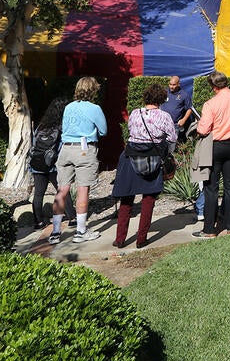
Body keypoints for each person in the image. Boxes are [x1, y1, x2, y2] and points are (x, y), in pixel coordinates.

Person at [112, 83, 177, 248]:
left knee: (126, 199)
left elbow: (130, 130)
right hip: (153, 158)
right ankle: (141, 239)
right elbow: (172, 138)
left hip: (131, 157)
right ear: (161, 99)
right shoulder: (164, 116)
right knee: (148, 199)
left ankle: (120, 239)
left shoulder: (135, 113)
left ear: (145, 97)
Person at [193, 71, 230, 238]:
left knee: (211, 188)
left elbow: (203, 129)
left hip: (215, 146)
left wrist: (198, 128)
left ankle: (209, 229)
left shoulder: (210, 104)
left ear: (213, 86)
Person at [50, 76, 107, 245]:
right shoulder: (94, 108)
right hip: (84, 149)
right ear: (93, 90)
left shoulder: (68, 107)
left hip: (66, 148)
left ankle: (55, 232)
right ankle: (81, 231)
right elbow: (103, 131)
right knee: (83, 190)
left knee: (62, 190)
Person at [27, 97, 76, 230]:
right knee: (62, 190)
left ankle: (38, 222)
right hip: (53, 165)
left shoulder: (41, 126)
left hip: (37, 164)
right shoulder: (61, 127)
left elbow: (34, 144)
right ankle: (72, 218)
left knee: (38, 194)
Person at [161, 75, 194, 140]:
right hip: (162, 124)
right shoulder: (164, 92)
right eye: (170, 84)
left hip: (175, 126)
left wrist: (183, 120)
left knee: (172, 146)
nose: (171, 87)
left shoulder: (184, 95)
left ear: (178, 84)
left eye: (173, 85)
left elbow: (190, 109)